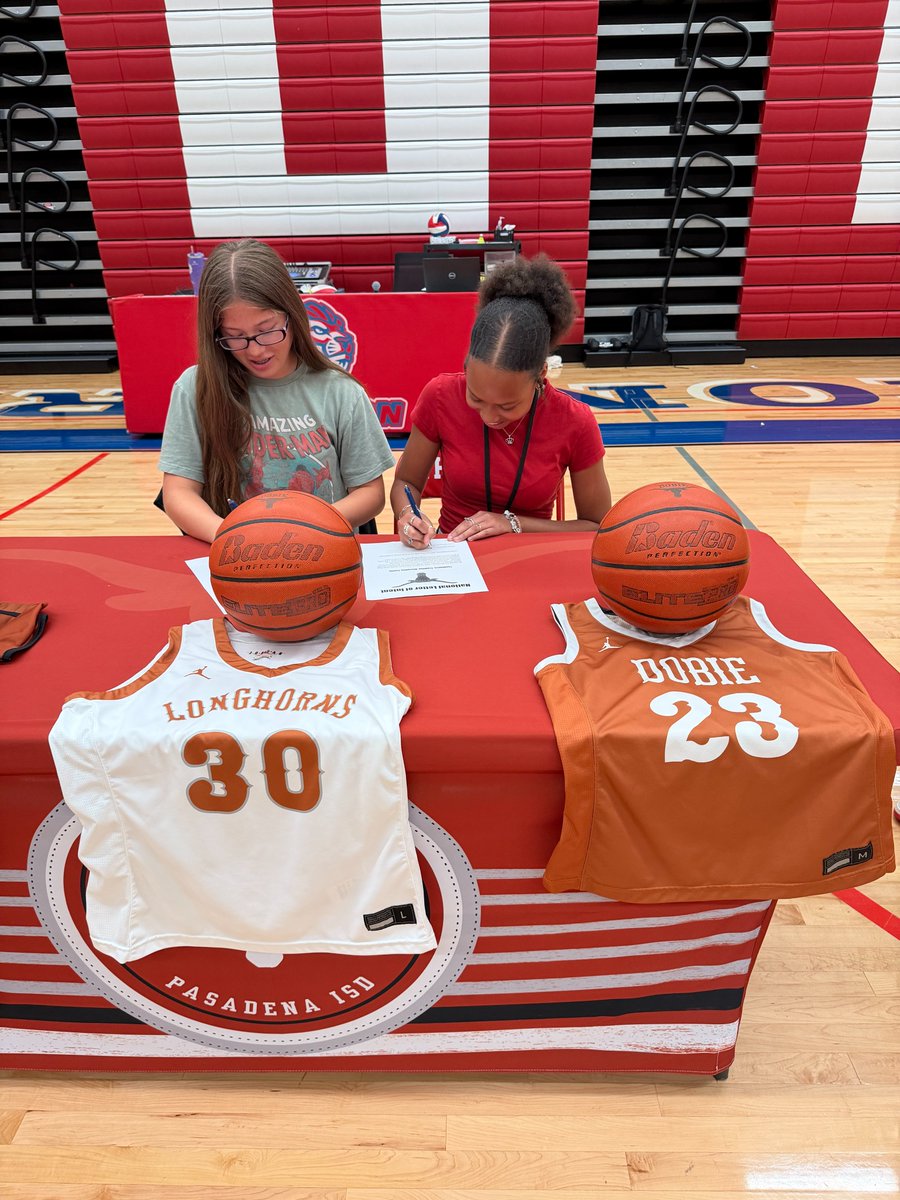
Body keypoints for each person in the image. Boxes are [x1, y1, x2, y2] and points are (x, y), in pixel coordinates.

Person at [158, 239, 394, 541]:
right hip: (238, 556)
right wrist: (234, 538)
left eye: (267, 330)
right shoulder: (195, 388)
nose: (255, 350)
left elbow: (371, 495)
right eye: (235, 337)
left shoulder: (340, 392)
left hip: (323, 550)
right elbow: (178, 493)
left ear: (292, 316)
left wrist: (306, 527)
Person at [390, 254, 611, 548]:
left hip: (530, 559)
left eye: (507, 406)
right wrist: (408, 515)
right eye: (476, 398)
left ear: (541, 376)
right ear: (467, 366)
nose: (489, 416)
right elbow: (407, 482)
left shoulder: (575, 421)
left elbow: (597, 526)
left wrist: (513, 524)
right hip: (453, 554)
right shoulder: (440, 395)